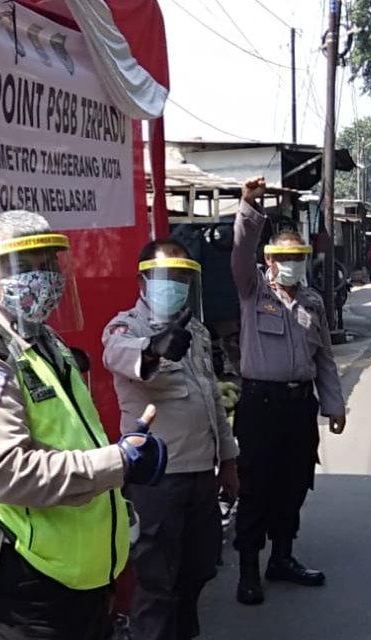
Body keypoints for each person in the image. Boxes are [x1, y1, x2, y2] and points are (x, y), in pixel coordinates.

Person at [0, 211, 169, 639]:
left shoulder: (45, 343)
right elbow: (9, 472)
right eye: (23, 267)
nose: (42, 278)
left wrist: (121, 450)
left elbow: (70, 435)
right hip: (18, 593)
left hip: (70, 583)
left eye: (48, 264)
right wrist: (117, 462)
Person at [102, 239, 239, 640]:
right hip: (157, 480)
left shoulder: (194, 329)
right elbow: (119, 355)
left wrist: (228, 460)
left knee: (198, 568)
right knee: (156, 582)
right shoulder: (127, 326)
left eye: (181, 276)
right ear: (143, 279)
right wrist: (154, 349)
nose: (174, 284)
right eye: (166, 276)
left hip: (200, 473)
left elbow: (212, 397)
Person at [230, 177, 347, 606]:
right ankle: (248, 571)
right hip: (261, 406)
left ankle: (282, 557)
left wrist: (334, 405)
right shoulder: (253, 291)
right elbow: (241, 252)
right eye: (284, 256)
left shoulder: (313, 302)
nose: (292, 262)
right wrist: (248, 206)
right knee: (256, 488)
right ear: (270, 260)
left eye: (298, 256)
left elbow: (325, 360)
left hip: (300, 409)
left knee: (295, 484)